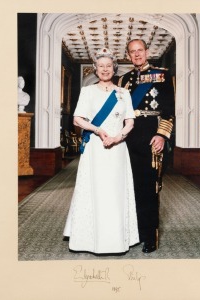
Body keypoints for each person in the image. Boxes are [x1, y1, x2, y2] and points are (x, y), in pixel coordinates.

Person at [63, 48, 139, 254]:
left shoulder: (124, 93)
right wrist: (98, 131)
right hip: (96, 147)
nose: (105, 69)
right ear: (95, 69)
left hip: (118, 147)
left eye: (108, 66)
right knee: (96, 188)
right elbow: (77, 119)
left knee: (115, 189)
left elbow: (130, 121)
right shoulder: (88, 91)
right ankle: (88, 239)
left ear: (113, 69)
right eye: (101, 66)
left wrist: (117, 137)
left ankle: (117, 238)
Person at [118, 39, 175, 253]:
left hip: (152, 136)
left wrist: (162, 135)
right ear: (129, 55)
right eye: (132, 52)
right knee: (129, 187)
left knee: (149, 189)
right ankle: (134, 232)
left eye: (140, 50)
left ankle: (150, 235)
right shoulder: (124, 79)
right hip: (128, 137)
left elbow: (169, 109)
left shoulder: (162, 75)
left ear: (147, 51)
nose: (137, 55)